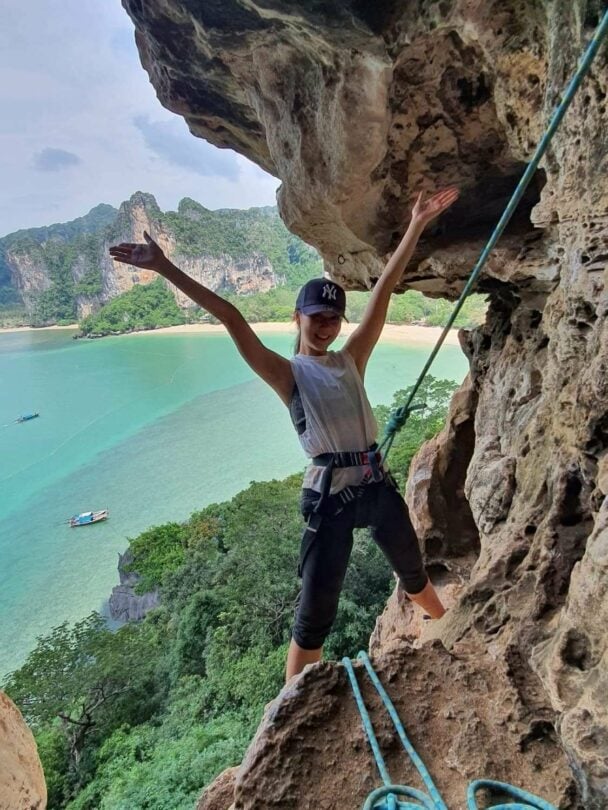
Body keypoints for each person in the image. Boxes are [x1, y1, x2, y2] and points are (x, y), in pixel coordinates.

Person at [109, 186, 459, 681]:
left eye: (334, 318)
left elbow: (381, 293)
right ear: (297, 319)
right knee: (314, 615)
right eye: (317, 318)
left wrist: (416, 223)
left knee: (413, 570)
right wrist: (165, 268)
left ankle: (445, 627)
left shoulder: (351, 359)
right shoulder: (287, 374)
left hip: (375, 487)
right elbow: (231, 316)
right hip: (330, 502)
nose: (327, 327)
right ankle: (289, 704)